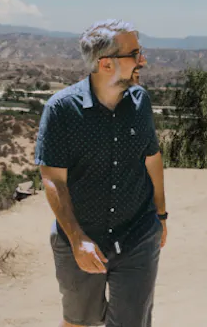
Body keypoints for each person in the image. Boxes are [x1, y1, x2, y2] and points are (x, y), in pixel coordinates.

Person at [35, 19, 168, 327]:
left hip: (137, 235)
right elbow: (53, 179)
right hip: (81, 237)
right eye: (135, 54)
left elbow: (152, 158)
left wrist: (161, 216)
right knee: (78, 322)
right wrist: (77, 238)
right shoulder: (61, 109)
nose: (143, 61)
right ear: (106, 64)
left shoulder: (141, 102)